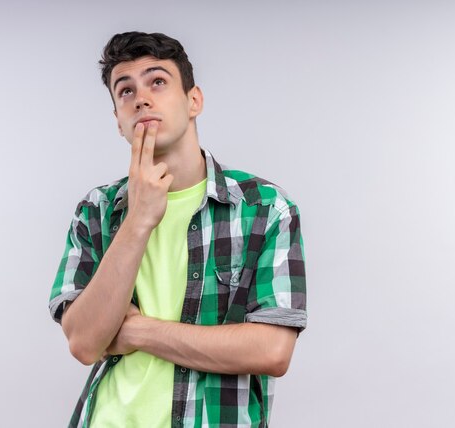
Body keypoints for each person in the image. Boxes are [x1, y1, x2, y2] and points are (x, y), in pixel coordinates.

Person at [49, 31, 307, 427]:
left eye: (157, 81)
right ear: (119, 122)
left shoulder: (265, 208)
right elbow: (84, 343)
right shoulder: (97, 211)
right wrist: (137, 220)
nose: (141, 99)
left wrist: (136, 331)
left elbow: (272, 351)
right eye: (125, 91)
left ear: (193, 101)